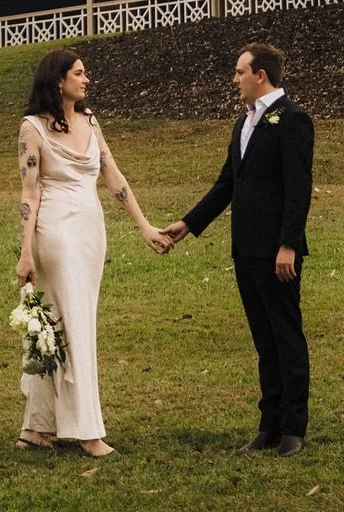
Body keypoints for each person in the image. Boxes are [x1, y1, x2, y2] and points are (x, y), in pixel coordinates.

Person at [16, 48, 172, 456]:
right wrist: (25, 252)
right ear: (58, 81)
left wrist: (144, 226)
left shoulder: (90, 120)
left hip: (90, 229)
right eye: (79, 74)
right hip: (54, 230)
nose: (86, 80)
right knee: (72, 323)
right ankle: (87, 431)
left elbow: (112, 174)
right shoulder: (32, 128)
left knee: (57, 324)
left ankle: (36, 426)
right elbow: (29, 192)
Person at [164, 44, 314, 456]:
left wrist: (287, 245)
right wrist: (188, 223)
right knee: (263, 339)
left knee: (286, 335)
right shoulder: (243, 124)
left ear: (260, 75)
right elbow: (227, 184)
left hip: (277, 252)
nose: (235, 79)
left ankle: (293, 427)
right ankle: (269, 424)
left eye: (239, 71)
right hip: (245, 249)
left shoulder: (293, 121)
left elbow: (298, 190)